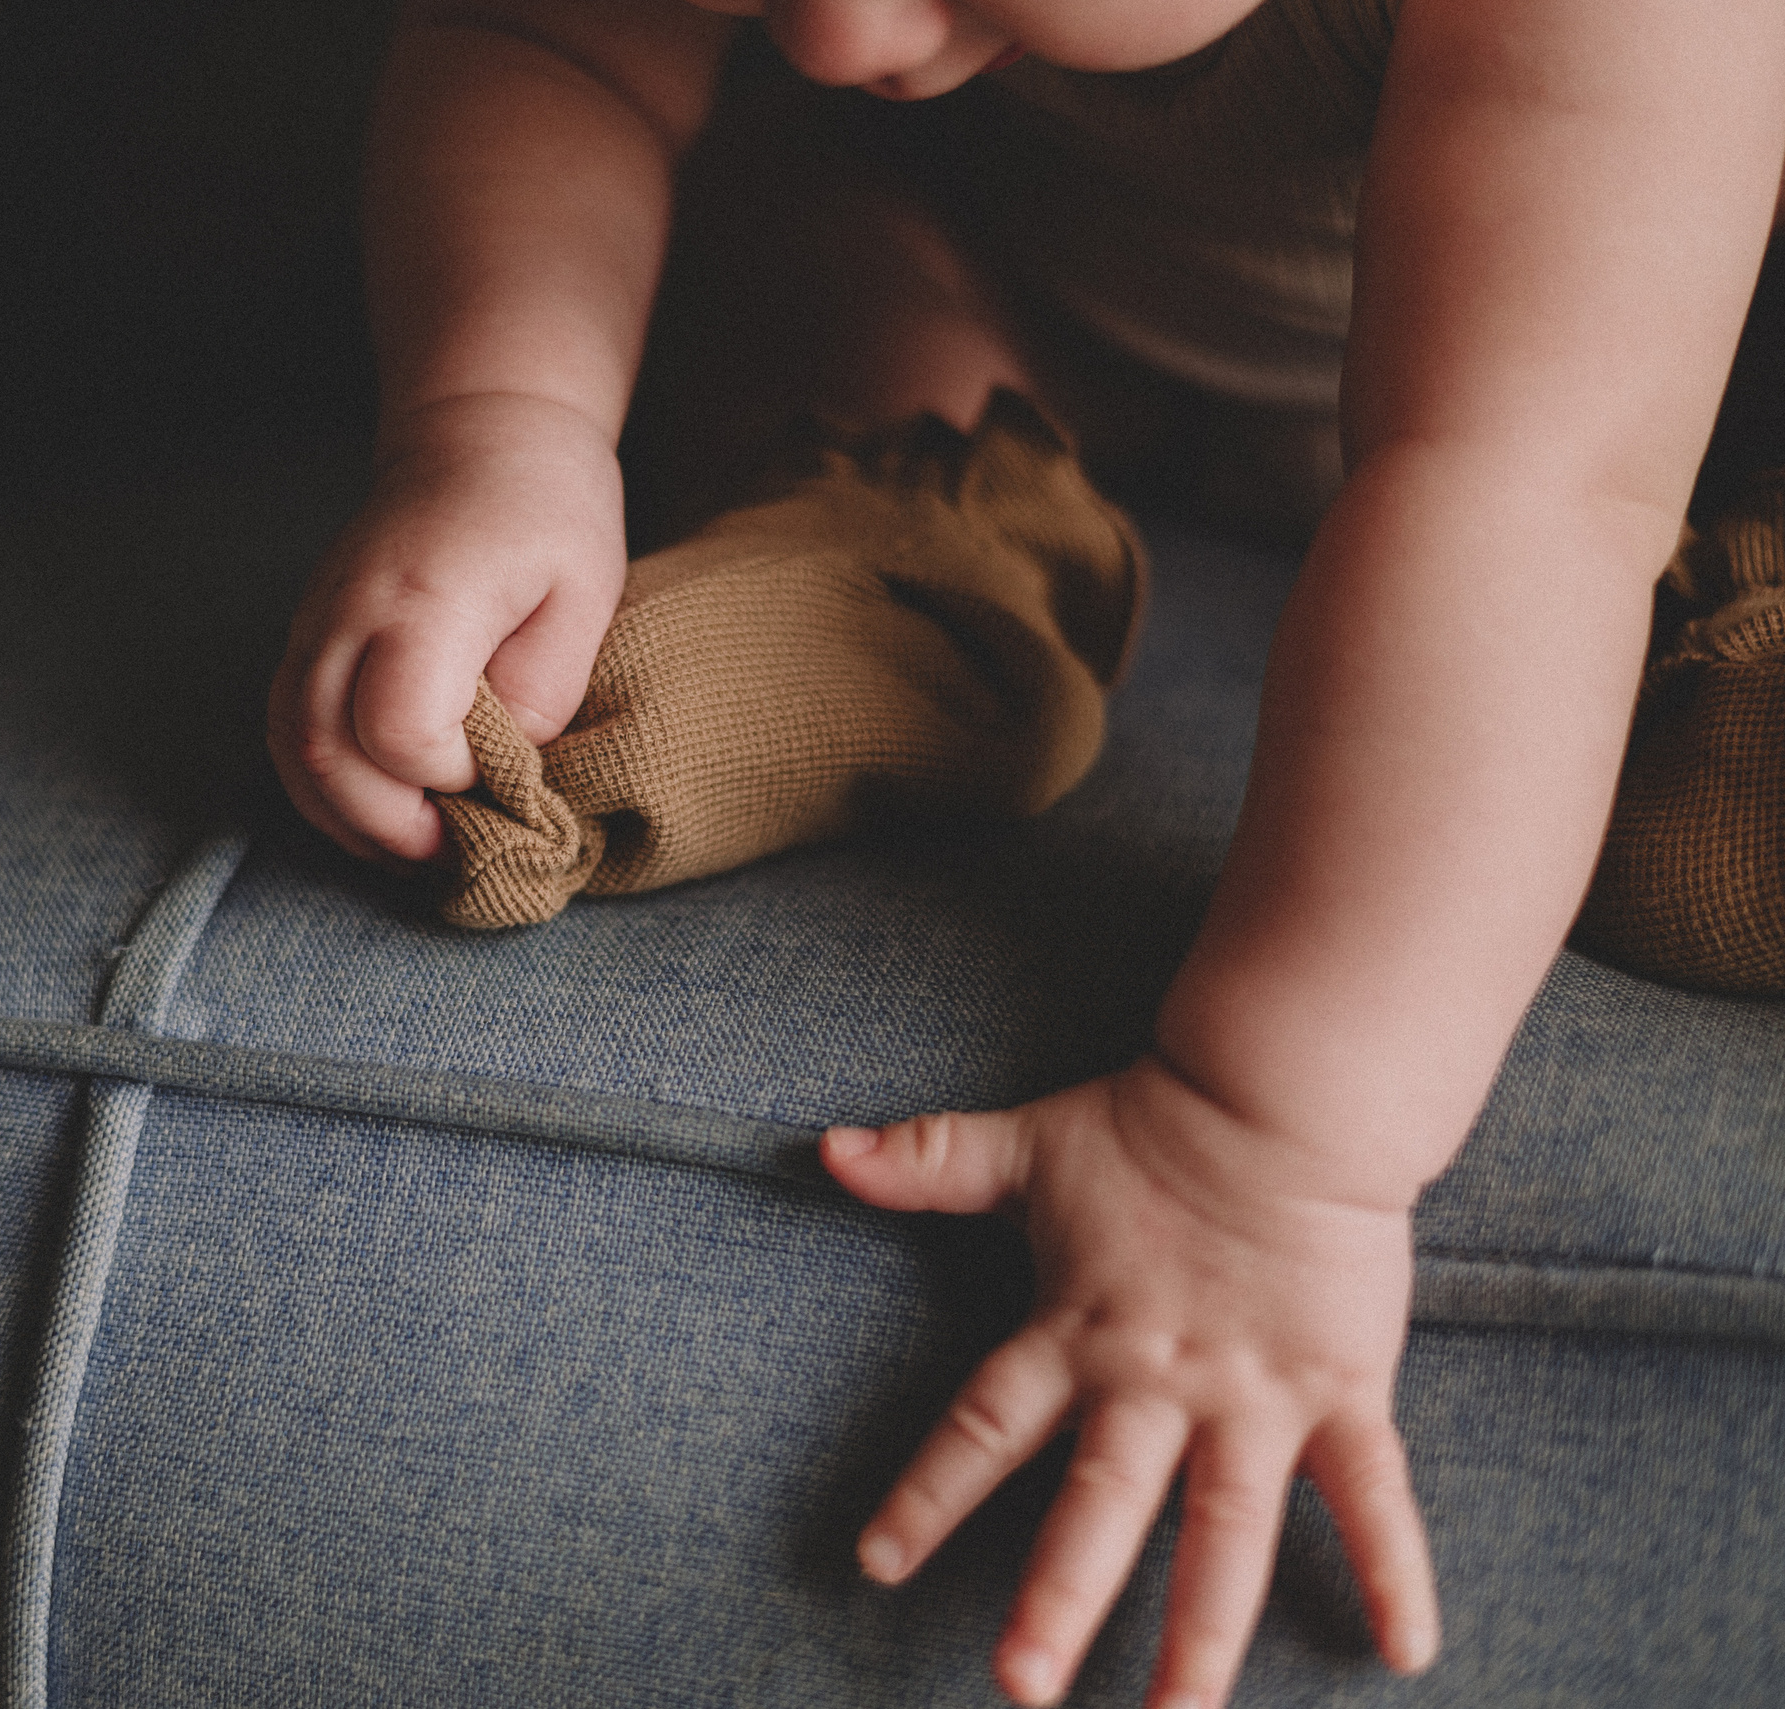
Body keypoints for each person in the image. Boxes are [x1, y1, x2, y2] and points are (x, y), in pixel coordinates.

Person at [265, 2, 1785, 1704]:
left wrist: (1267, 1141)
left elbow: (1528, 490)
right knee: (816, 233)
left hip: (1551, 440)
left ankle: (1700, 699)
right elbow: (558, 43)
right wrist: (501, 427)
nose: (835, 30)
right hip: (978, 293)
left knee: (1552, 642)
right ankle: (917, 551)